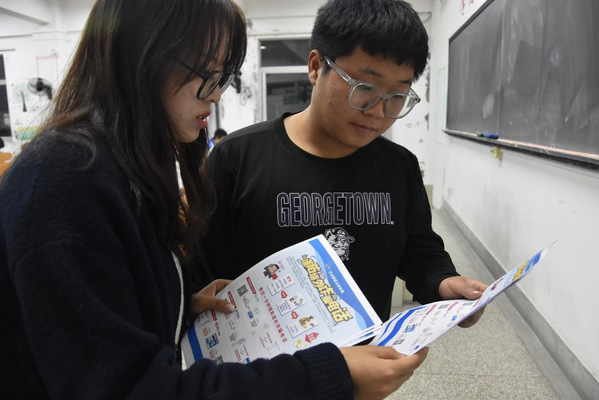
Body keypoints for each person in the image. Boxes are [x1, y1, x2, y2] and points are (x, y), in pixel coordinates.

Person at [0, 0, 428, 399]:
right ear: (144, 60)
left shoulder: (119, 167)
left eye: (222, 76)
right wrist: (327, 372)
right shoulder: (67, 179)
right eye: (207, 75)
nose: (218, 94)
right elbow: (129, 386)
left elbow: (110, 315)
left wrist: (178, 305)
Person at [201, 0, 488, 326]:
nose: (378, 112)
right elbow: (203, 275)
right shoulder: (238, 159)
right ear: (316, 67)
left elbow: (421, 253)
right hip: (263, 354)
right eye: (364, 87)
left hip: (365, 354)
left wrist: (443, 282)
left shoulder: (400, 167)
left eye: (397, 96)